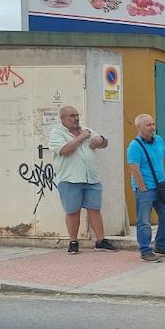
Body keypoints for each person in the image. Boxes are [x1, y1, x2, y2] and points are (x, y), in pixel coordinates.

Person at [48, 104, 116, 254]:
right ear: (63, 118)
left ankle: (101, 241)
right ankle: (73, 242)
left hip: (91, 178)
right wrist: (81, 138)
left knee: (95, 209)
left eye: (77, 115)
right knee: (72, 211)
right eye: (72, 116)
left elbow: (104, 143)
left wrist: (101, 140)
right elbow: (64, 151)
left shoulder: (86, 130)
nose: (76, 118)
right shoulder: (57, 133)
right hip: (70, 179)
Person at [125, 112, 165, 262]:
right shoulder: (135, 146)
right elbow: (134, 168)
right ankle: (145, 250)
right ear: (139, 127)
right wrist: (142, 188)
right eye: (148, 125)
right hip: (146, 190)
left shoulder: (159, 140)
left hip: (161, 186)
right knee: (144, 221)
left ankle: (161, 244)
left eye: (153, 124)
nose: (152, 127)